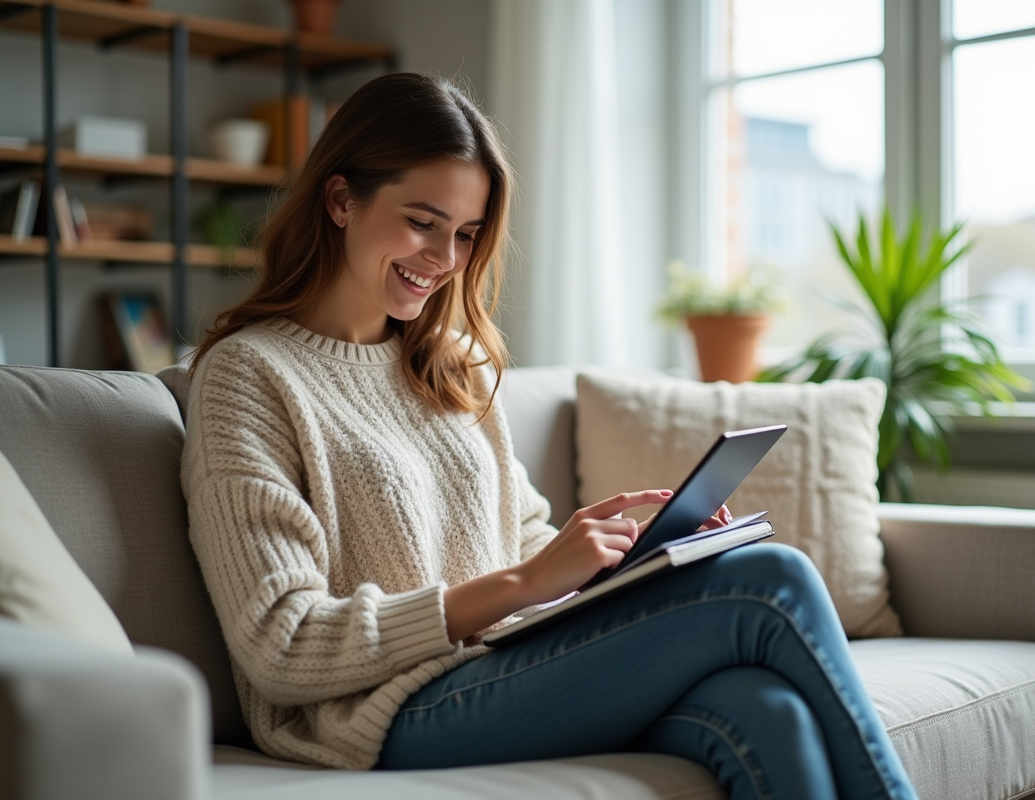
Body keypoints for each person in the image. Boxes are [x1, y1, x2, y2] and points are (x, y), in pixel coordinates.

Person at [182, 72, 918, 800]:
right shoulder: (249, 376)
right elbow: (281, 642)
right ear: (341, 200)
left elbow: (523, 535)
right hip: (384, 714)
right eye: (421, 220)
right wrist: (520, 586)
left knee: (765, 710)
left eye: (466, 234)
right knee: (774, 579)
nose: (444, 259)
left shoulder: (450, 363)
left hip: (506, 664)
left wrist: (631, 561)